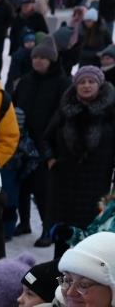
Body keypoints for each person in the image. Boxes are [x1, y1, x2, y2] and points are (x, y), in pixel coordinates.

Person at [42, 66, 115, 238]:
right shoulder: (65, 110)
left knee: (91, 236)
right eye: (82, 82)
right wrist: (51, 160)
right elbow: (46, 139)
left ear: (100, 85)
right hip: (65, 184)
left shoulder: (110, 112)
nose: (86, 86)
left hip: (98, 184)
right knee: (65, 236)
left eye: (91, 82)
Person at [13, 37, 69, 244]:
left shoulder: (63, 83)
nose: (38, 61)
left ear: (52, 60)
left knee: (44, 190)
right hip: (24, 144)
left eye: (43, 58)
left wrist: (53, 145)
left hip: (47, 144)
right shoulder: (26, 81)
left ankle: (48, 229)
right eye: (35, 57)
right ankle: (24, 222)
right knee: (23, 186)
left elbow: (63, 115)